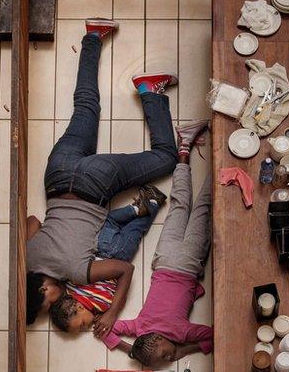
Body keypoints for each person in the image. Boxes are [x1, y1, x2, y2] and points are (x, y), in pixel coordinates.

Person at [26, 17, 180, 333]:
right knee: (85, 106)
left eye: (50, 301)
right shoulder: (27, 258)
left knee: (166, 159)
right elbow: (32, 221)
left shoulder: (76, 273)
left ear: (43, 289)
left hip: (97, 183)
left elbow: (124, 269)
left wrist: (112, 312)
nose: (56, 301)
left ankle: (150, 91)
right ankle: (93, 35)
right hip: (57, 175)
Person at [47, 122, 210, 334]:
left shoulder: (101, 305)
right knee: (113, 221)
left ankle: (149, 204)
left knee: (136, 230)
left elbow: (121, 280)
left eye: (82, 324)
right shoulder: (71, 287)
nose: (87, 326)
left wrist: (111, 313)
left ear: (77, 308)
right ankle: (136, 208)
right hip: (97, 246)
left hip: (119, 257)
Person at [92, 152, 214, 368]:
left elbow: (214, 336)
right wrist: (132, 350)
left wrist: (184, 349)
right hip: (163, 259)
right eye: (168, 359)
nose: (171, 357)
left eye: (165, 355)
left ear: (158, 340)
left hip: (188, 263)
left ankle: (217, 166)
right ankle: (184, 154)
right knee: (180, 206)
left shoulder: (181, 333)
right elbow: (105, 331)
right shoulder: (139, 327)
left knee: (202, 210)